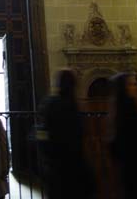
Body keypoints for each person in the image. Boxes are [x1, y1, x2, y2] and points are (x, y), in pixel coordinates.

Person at [38, 69, 95, 199]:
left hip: (57, 166)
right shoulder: (75, 106)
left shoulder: (51, 104)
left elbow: (43, 132)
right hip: (75, 165)